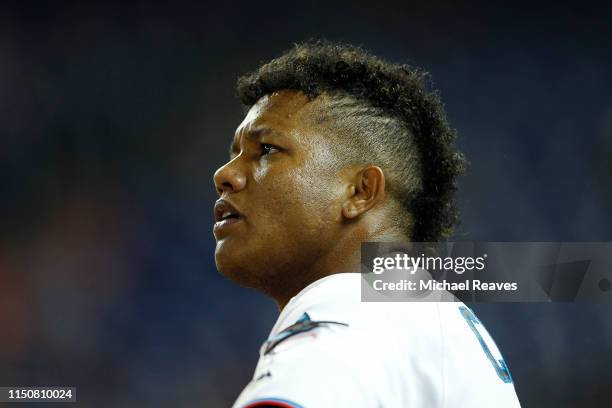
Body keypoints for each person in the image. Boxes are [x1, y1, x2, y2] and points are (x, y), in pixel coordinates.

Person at [213, 40, 521, 407]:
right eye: (236, 155)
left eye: (266, 150)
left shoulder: (349, 308)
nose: (225, 174)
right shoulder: (425, 320)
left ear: (360, 192)